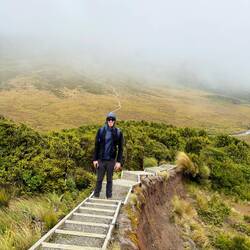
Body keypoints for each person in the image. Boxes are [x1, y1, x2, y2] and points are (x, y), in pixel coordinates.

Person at [93, 112, 124, 199]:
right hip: (101, 159)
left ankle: (109, 197)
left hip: (111, 160)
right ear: (107, 121)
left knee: (109, 180)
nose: (111, 121)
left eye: (112, 120)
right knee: (99, 179)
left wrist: (118, 162)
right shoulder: (101, 131)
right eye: (109, 120)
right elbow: (96, 146)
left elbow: (121, 148)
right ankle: (96, 196)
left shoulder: (118, 132)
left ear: (114, 121)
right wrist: (95, 159)